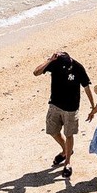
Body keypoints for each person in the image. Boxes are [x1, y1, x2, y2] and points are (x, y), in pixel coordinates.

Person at [33, 50, 92, 180]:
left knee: (69, 134)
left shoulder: (78, 67)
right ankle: (66, 150)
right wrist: (49, 60)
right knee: (52, 131)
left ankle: (67, 162)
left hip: (71, 108)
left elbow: (86, 86)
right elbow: (36, 72)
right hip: (55, 105)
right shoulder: (55, 63)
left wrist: (93, 107)